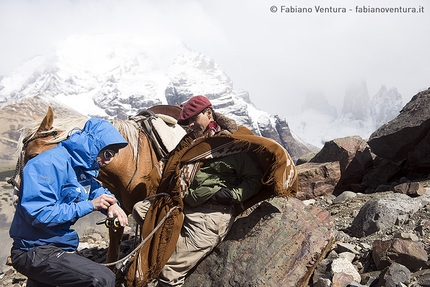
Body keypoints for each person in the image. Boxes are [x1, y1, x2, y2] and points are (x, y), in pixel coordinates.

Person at [133, 95, 263, 286]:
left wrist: (232, 195)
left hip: (211, 214)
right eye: (187, 122)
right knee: (140, 209)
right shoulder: (191, 142)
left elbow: (255, 179)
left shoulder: (233, 144)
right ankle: (165, 248)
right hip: (182, 203)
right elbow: (171, 164)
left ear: (209, 114)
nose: (191, 125)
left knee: (169, 270)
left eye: (194, 119)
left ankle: (169, 265)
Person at [9, 118, 129, 287]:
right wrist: (91, 205)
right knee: (102, 279)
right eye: (107, 153)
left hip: (50, 246)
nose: (109, 161)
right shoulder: (47, 164)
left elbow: (94, 189)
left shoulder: (78, 167)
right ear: (92, 145)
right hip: (33, 250)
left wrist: (112, 204)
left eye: (114, 155)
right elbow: (39, 214)